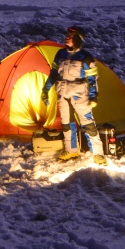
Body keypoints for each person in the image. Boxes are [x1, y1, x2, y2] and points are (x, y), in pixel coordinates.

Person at [41, 26, 107, 165]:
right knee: (66, 123)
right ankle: (71, 150)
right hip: (62, 91)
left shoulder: (86, 57)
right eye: (67, 35)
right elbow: (54, 73)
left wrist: (94, 96)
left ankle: (98, 154)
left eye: (70, 36)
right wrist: (46, 90)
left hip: (80, 93)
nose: (67, 37)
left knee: (88, 124)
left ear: (78, 39)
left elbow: (93, 78)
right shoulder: (60, 54)